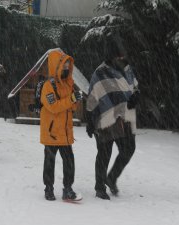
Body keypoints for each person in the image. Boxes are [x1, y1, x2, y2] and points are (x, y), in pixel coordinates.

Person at [86, 36, 140, 200]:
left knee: (129, 149)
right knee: (104, 153)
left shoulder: (128, 69)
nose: (122, 58)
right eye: (118, 55)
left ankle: (112, 178)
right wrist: (90, 121)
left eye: (123, 55)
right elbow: (93, 97)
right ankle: (99, 186)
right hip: (106, 117)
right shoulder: (100, 72)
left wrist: (135, 98)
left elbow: (135, 87)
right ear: (111, 55)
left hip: (126, 116)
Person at [40, 50, 83, 201]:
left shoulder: (68, 83)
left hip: (65, 132)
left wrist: (75, 100)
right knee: (49, 162)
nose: (66, 67)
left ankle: (68, 188)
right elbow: (53, 107)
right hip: (52, 132)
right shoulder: (48, 86)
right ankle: (49, 189)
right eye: (63, 63)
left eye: (67, 64)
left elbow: (71, 107)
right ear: (55, 65)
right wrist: (71, 99)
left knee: (69, 161)